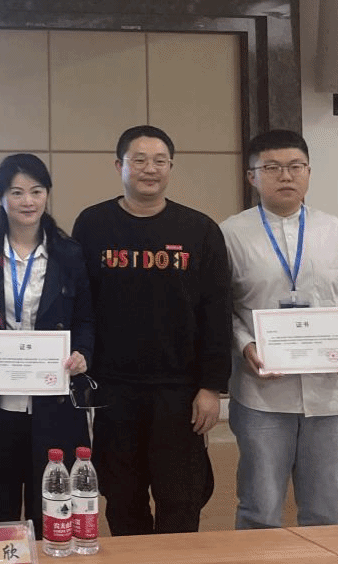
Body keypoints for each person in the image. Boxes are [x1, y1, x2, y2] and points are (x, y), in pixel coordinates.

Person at [70, 125, 231, 535]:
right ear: (119, 166)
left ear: (171, 167)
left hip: (179, 391)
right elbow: (79, 304)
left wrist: (211, 387)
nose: (150, 169)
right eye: (139, 160)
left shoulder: (199, 230)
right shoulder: (92, 224)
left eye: (160, 161)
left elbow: (217, 313)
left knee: (181, 496)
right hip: (113, 388)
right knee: (122, 495)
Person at [222, 129, 338, 528]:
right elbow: (218, 309)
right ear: (251, 176)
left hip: (330, 395)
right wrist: (245, 344)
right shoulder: (228, 235)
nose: (286, 176)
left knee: (327, 511)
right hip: (261, 396)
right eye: (272, 167)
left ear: (309, 172)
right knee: (259, 509)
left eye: (296, 166)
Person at [0, 154, 93, 539]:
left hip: (53, 401)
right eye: (17, 192)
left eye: (36, 191)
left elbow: (86, 319)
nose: (28, 201)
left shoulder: (69, 254)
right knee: (1, 509)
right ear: (0, 198)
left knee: (52, 506)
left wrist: (82, 354)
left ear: (47, 195)